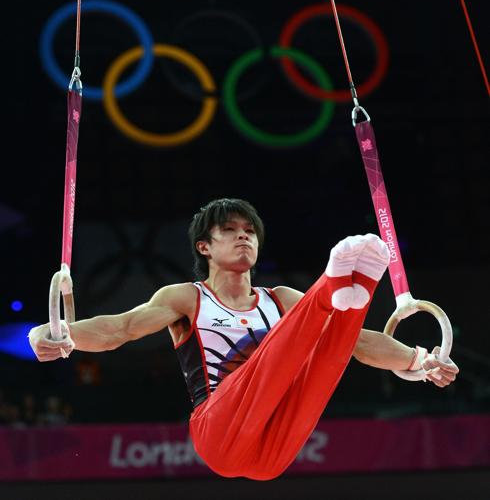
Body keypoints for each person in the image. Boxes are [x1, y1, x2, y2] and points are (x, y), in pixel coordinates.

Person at [29, 198, 459, 480]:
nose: (243, 236)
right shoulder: (186, 299)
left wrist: (419, 362)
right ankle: (331, 287)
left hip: (275, 447)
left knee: (329, 356)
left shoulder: (279, 300)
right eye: (231, 230)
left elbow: (361, 345)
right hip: (218, 430)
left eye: (250, 231)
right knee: (284, 345)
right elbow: (120, 329)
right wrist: (55, 332)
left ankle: (351, 293)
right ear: (204, 248)